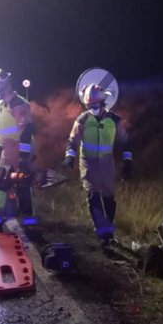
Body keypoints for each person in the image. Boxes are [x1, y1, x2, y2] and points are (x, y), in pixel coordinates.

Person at [63, 84, 133, 246]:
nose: (92, 108)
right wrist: (70, 156)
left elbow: (126, 141)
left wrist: (128, 162)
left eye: (95, 105)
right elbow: (72, 140)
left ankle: (108, 229)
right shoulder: (83, 120)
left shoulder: (114, 120)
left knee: (108, 196)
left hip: (107, 162)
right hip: (87, 162)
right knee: (93, 193)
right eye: (89, 105)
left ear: (102, 103)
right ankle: (102, 233)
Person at [0, 68, 36, 232]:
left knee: (23, 186)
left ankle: (30, 225)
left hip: (18, 151)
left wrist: (23, 157)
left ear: (2, 86)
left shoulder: (19, 104)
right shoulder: (3, 104)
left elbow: (27, 131)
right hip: (7, 150)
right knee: (0, 185)